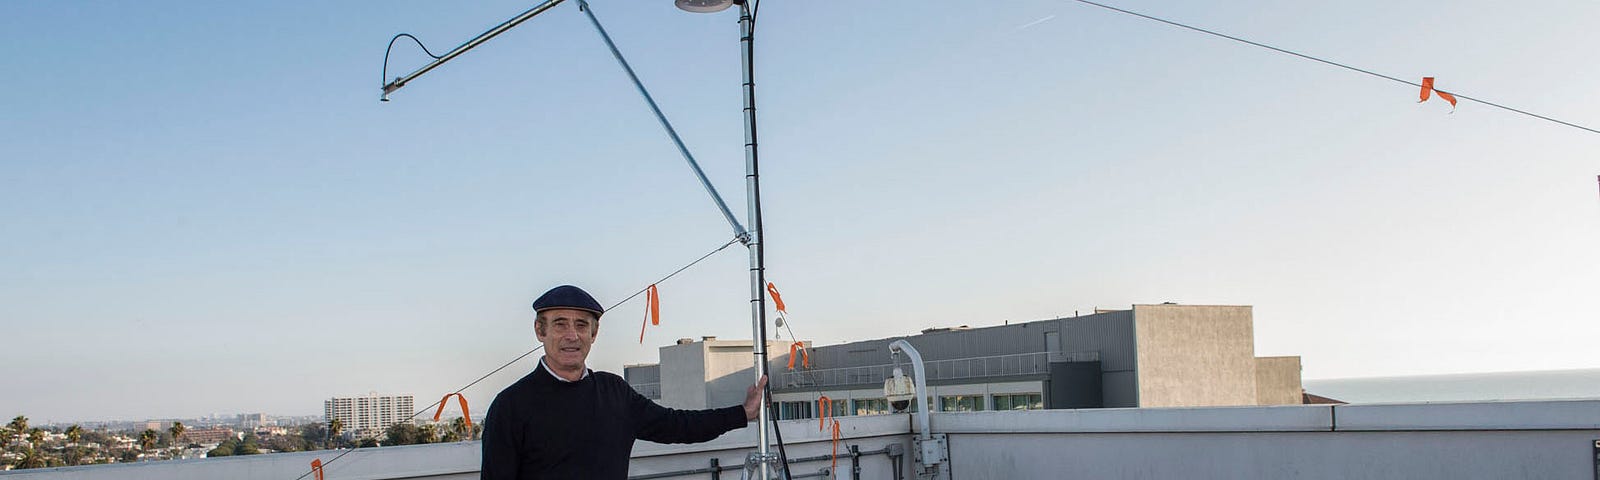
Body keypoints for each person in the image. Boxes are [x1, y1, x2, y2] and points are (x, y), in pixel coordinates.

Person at [481, 285, 768, 479]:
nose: (572, 335)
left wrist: (742, 413)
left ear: (594, 334)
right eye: (560, 324)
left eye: (581, 325)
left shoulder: (614, 392)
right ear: (539, 331)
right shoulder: (511, 405)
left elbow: (677, 425)